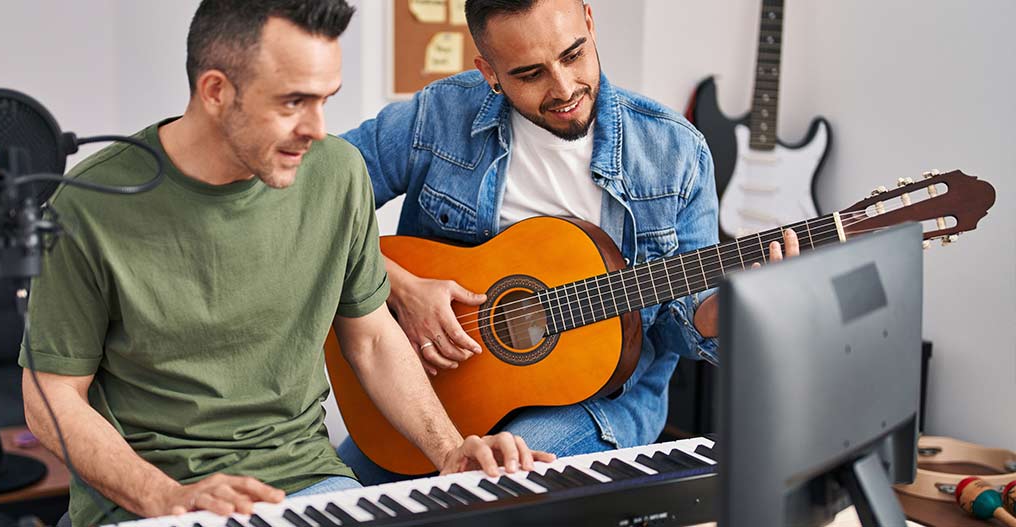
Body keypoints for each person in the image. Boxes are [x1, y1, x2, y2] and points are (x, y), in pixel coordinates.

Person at [18, 2, 551, 525]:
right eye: (293, 102)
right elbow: (51, 398)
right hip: (148, 498)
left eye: (325, 100)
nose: (318, 129)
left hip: (305, 481)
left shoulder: (336, 174)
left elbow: (371, 338)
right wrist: (164, 497)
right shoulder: (89, 205)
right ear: (216, 92)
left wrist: (450, 451)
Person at [338, 0, 799, 484]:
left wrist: (727, 308)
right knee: (325, 509)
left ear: (590, 21)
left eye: (574, 54)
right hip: (428, 383)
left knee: (494, 489)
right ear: (489, 72)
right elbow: (312, 194)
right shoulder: (441, 114)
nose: (564, 89)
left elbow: (676, 327)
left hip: (600, 402)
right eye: (530, 74)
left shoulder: (673, 152)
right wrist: (400, 287)